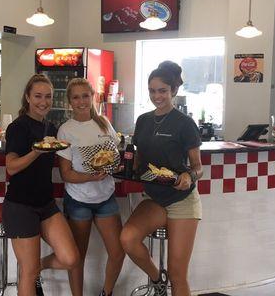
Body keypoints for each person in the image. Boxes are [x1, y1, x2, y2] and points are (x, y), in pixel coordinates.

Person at [120, 61, 203, 296]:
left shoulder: (185, 124)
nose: (157, 96)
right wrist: (119, 166)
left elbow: (198, 168)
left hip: (182, 200)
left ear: (174, 91)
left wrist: (188, 175)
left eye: (163, 91)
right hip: (155, 197)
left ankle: (168, 280)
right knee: (128, 239)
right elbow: (139, 159)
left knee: (178, 275)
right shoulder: (143, 121)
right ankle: (157, 279)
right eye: (152, 91)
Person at [3, 74, 79, 296]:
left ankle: (36, 267)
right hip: (20, 206)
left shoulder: (51, 127)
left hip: (45, 204)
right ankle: (31, 269)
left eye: (48, 97)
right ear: (27, 97)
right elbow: (11, 167)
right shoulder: (18, 127)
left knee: (70, 258)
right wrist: (36, 152)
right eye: (37, 96)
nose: (43, 102)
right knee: (27, 272)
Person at [55, 78, 125, 296]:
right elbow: (65, 174)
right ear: (70, 102)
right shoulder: (65, 130)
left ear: (92, 96)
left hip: (106, 198)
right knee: (78, 256)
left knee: (118, 251)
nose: (82, 101)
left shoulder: (104, 122)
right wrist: (92, 177)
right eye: (76, 97)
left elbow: (114, 157)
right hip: (78, 201)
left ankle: (106, 292)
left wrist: (118, 167)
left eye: (85, 95)